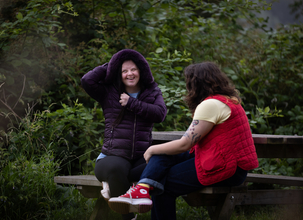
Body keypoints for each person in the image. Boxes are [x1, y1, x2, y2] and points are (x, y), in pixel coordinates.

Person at [108, 61, 259, 219]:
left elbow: (185, 144)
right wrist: (158, 151)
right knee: (163, 155)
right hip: (227, 162)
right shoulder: (227, 100)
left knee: (161, 183)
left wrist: (152, 149)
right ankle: (142, 188)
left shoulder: (211, 105)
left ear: (195, 83)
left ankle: (141, 188)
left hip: (228, 168)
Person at [80, 49, 167, 220]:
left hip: (140, 157)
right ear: (118, 73)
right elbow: (86, 80)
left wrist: (132, 103)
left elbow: (160, 114)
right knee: (116, 169)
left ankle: (114, 185)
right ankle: (129, 217)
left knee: (161, 165)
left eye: (133, 69)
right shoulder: (109, 92)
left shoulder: (152, 91)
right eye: (124, 71)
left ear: (141, 70)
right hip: (112, 156)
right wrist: (113, 64)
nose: (129, 74)